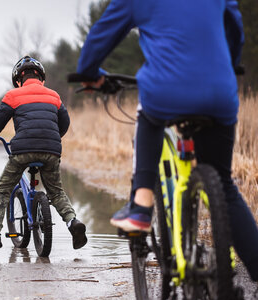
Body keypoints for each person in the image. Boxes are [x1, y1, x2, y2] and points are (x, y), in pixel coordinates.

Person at [75, 0, 258, 282]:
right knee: (223, 184)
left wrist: (90, 75)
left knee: (147, 116)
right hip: (220, 93)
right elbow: (235, 30)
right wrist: (230, 64)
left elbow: (99, 40)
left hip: (165, 94)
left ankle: (141, 203)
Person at [0, 56, 88, 252]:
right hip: (51, 150)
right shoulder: (54, 96)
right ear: (41, 78)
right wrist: (51, 139)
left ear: (19, 80)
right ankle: (72, 222)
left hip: (23, 151)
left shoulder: (13, 96)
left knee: (2, 190)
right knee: (56, 191)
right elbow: (64, 123)